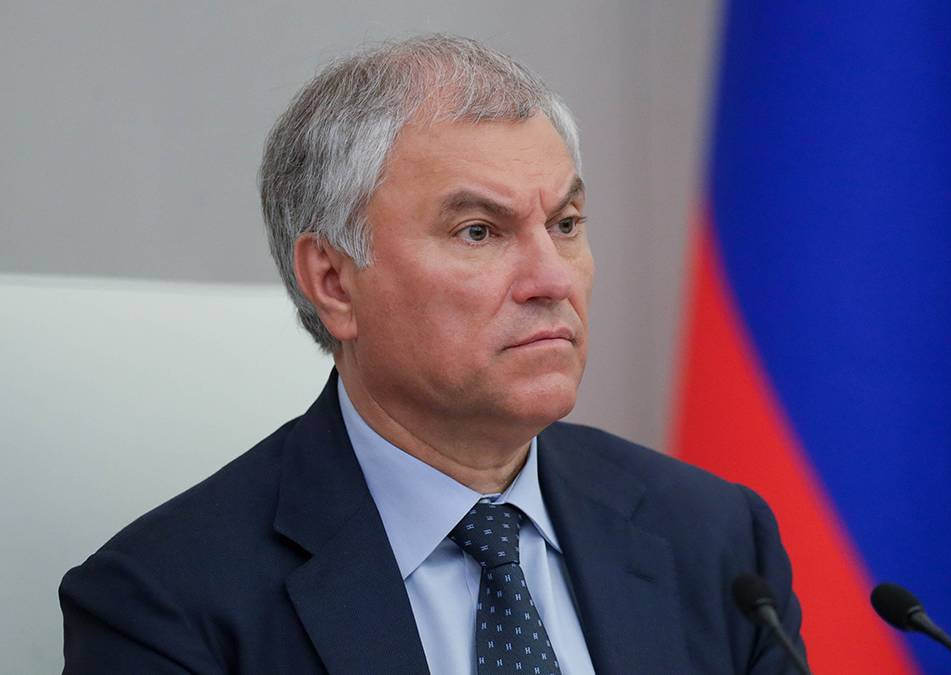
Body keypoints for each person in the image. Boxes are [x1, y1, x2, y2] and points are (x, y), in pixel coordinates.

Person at [60, 34, 810, 674]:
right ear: (334, 282)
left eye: (566, 223)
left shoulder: (715, 539)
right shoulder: (163, 602)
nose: (552, 279)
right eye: (479, 231)